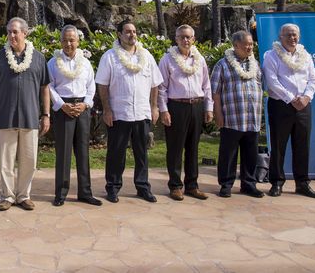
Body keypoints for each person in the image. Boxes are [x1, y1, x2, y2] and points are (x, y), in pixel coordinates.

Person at [0, 17, 51, 211]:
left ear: (25, 33)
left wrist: (46, 114)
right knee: (6, 161)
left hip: (30, 117)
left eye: (15, 32)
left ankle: (23, 195)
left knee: (29, 160)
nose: (12, 35)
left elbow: (45, 88)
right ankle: (7, 196)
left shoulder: (38, 58)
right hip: (5, 116)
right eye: (9, 32)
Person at [95, 19, 161, 204]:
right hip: (119, 113)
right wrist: (107, 110)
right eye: (128, 31)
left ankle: (143, 187)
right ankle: (113, 188)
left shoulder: (146, 55)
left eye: (134, 31)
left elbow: (155, 83)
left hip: (141, 113)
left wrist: (154, 106)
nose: (132, 34)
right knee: (116, 153)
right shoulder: (109, 56)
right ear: (119, 34)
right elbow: (102, 85)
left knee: (142, 153)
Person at [262, 23, 315, 198]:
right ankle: (277, 183)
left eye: (294, 35)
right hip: (280, 105)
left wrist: (306, 97)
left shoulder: (306, 55)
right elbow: (272, 81)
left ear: (299, 36)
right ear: (280, 37)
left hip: (303, 106)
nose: (291, 38)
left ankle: (302, 183)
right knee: (278, 146)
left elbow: (314, 78)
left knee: (302, 145)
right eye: (287, 35)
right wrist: (291, 98)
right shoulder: (271, 56)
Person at [157, 24, 214, 201]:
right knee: (175, 148)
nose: (185, 40)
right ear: (176, 39)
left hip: (196, 106)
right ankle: (175, 185)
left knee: (193, 147)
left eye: (188, 37)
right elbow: (161, 88)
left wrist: (208, 107)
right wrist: (164, 110)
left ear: (194, 39)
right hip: (176, 107)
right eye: (182, 37)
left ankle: (192, 185)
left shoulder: (200, 59)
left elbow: (206, 85)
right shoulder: (167, 59)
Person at [48, 25, 100, 207]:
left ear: (78, 42)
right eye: (65, 40)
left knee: (83, 152)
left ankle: (85, 192)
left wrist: (85, 103)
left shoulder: (85, 63)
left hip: (82, 109)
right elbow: (49, 87)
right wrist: (62, 105)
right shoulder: (53, 63)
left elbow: (91, 86)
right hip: (63, 109)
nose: (69, 43)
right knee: (63, 153)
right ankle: (61, 193)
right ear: (61, 41)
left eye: (72, 40)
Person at [211, 30, 265, 198]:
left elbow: (261, 85)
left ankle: (249, 184)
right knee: (228, 154)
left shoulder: (254, 64)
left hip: (252, 118)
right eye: (246, 44)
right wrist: (218, 113)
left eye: (251, 44)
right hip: (232, 118)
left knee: (250, 154)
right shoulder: (222, 64)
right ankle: (226, 184)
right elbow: (215, 92)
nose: (249, 47)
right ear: (235, 46)